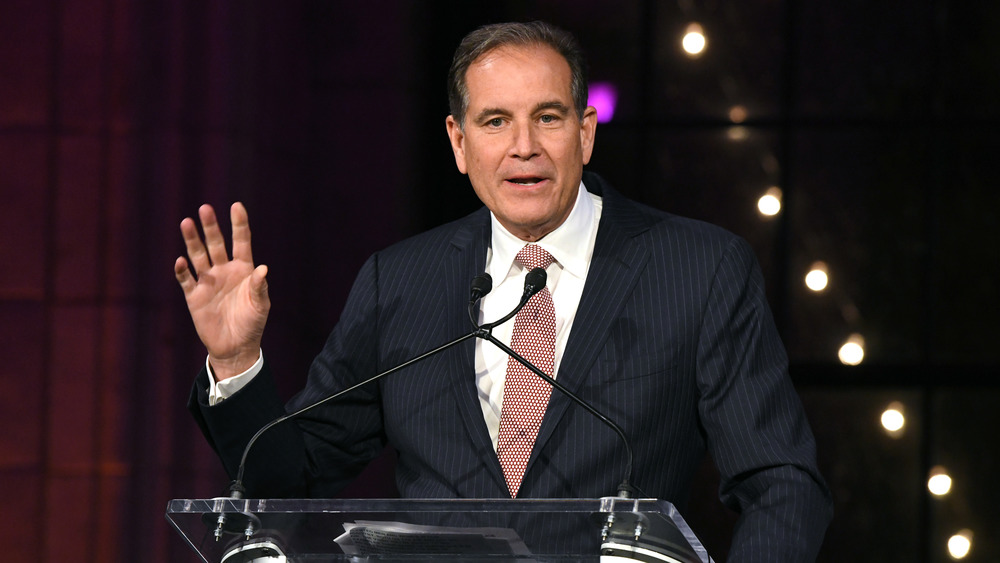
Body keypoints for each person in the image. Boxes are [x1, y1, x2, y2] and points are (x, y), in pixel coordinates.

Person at [176, 21, 832, 560]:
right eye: (494, 122)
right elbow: (290, 482)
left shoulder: (699, 268)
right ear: (459, 143)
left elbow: (783, 484)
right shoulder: (400, 279)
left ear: (585, 131)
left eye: (547, 117)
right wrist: (236, 363)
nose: (523, 147)